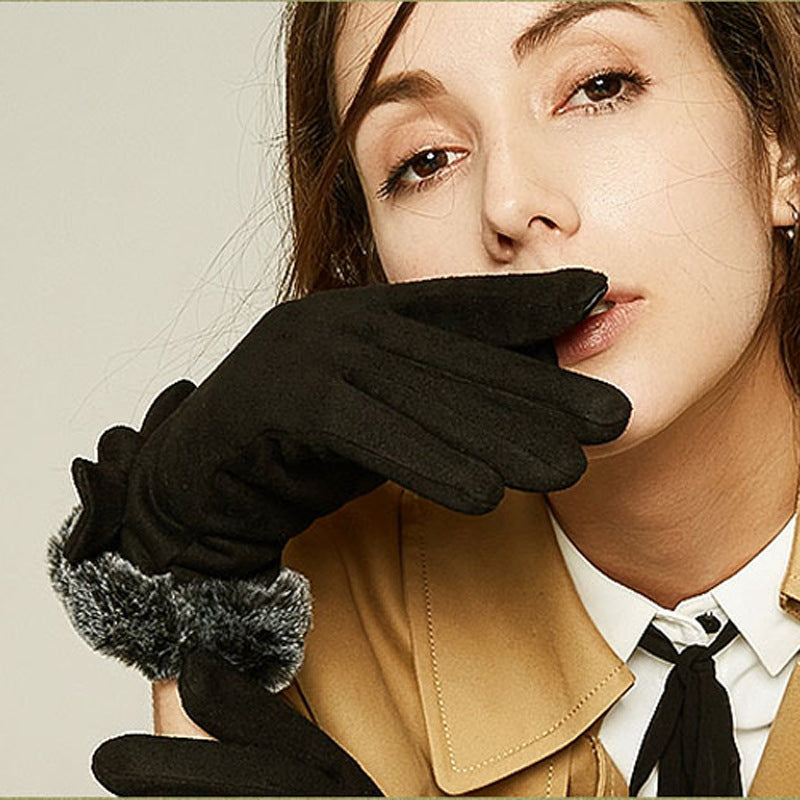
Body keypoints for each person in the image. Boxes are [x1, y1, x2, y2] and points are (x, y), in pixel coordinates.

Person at [48, 1, 800, 796]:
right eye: (427, 159)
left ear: (781, 140)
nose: (508, 204)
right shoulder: (320, 627)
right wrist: (194, 597)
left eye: (599, 86)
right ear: (373, 259)